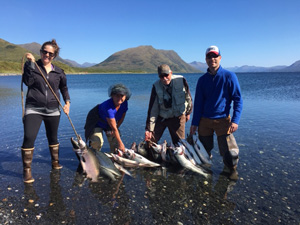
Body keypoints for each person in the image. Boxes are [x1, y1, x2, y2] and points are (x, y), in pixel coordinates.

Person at [190, 45, 243, 180]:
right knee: (204, 151)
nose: (212, 59)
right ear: (206, 59)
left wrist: (235, 120)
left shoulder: (229, 76)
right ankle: (206, 172)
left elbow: (238, 99)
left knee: (229, 153)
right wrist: (194, 123)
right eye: (209, 56)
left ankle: (231, 171)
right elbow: (198, 104)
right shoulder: (202, 80)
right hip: (204, 121)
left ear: (220, 58)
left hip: (223, 120)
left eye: (215, 56)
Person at [21, 39, 71, 183]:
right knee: (29, 137)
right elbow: (28, 82)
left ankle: (55, 162)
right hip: (33, 108)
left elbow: (64, 89)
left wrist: (67, 103)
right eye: (45, 52)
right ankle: (27, 171)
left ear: (54, 56)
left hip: (53, 110)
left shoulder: (59, 72)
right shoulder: (32, 66)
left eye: (50, 53)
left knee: (53, 137)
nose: (47, 55)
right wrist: (30, 64)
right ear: (41, 51)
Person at [145, 64, 193, 158]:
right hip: (162, 117)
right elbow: (152, 109)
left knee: (179, 146)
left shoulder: (181, 80)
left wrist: (188, 112)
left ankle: (178, 165)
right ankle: (151, 160)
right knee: (150, 141)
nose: (164, 78)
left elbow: (188, 97)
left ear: (171, 73)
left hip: (178, 117)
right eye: (161, 76)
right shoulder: (156, 86)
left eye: (166, 75)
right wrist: (149, 129)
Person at [84, 84, 131, 153]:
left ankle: (114, 157)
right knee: (97, 142)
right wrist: (121, 143)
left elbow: (122, 116)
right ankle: (94, 156)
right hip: (97, 122)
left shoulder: (124, 103)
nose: (120, 98)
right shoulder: (108, 108)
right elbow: (114, 128)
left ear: (125, 96)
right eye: (117, 95)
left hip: (109, 122)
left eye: (122, 96)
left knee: (115, 142)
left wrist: (117, 127)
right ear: (112, 96)